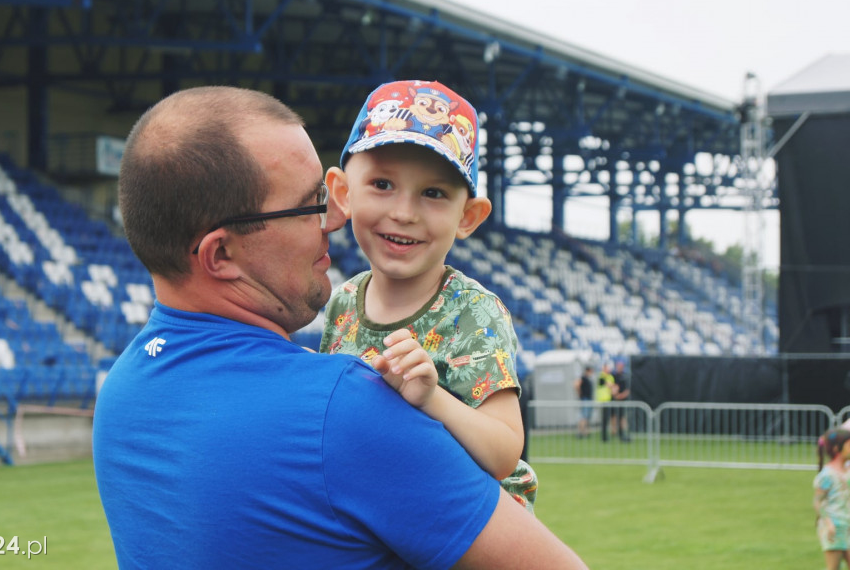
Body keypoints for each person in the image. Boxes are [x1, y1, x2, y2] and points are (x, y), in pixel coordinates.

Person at [91, 86, 587, 570]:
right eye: (311, 204)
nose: (332, 221)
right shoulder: (342, 408)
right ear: (221, 254)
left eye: (433, 193)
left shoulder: (120, 393)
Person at [319, 79, 538, 512]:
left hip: (469, 527)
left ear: (468, 216)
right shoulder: (342, 301)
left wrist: (431, 397)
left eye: (433, 193)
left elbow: (503, 453)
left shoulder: (473, 312)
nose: (403, 213)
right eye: (382, 184)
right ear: (343, 192)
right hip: (384, 507)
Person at [814, 428, 850, 570]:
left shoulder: (847, 470)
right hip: (834, 526)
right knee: (833, 568)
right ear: (837, 449)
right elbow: (818, 501)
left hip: (847, 524)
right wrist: (828, 524)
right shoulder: (827, 475)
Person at [609, 359, 631, 442]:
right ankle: (614, 431)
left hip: (622, 400)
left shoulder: (625, 376)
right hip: (614, 400)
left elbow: (627, 390)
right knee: (613, 416)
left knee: (622, 417)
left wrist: (621, 396)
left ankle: (623, 432)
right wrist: (615, 395)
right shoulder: (612, 376)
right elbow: (611, 386)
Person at [596, 362, 615, 442]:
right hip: (603, 401)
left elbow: (613, 386)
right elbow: (607, 384)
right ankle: (604, 437)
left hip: (609, 400)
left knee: (608, 419)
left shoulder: (610, 376)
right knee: (604, 420)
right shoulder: (601, 376)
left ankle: (607, 435)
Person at [574, 365, 594, 438]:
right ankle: (580, 432)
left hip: (588, 399)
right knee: (584, 416)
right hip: (585, 399)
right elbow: (576, 384)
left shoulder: (588, 378)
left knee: (587, 417)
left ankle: (585, 432)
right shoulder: (583, 377)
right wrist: (580, 393)